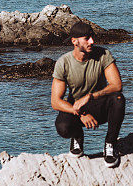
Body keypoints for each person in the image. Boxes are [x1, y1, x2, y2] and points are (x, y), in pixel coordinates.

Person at [51, 20, 125, 167]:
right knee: (63, 127)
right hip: (77, 109)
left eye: (92, 37)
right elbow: (55, 102)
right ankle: (77, 137)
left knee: (118, 99)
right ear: (74, 41)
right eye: (87, 38)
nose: (92, 41)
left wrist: (91, 96)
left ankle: (110, 144)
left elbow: (117, 85)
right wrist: (81, 113)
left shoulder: (103, 55)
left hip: (99, 106)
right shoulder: (63, 62)